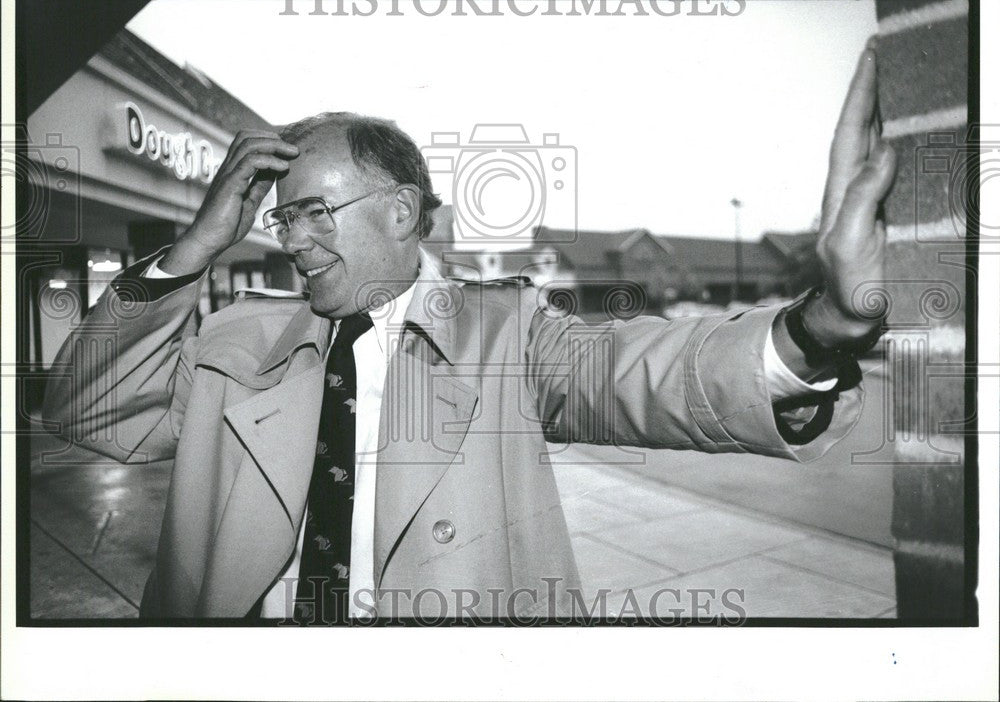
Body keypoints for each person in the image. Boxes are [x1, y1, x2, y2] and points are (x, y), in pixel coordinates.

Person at [44, 48, 895, 622]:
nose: (291, 239)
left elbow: (642, 372)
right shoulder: (235, 344)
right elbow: (87, 413)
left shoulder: (508, 333)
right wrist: (191, 249)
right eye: (280, 217)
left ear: (402, 210)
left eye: (313, 212)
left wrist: (819, 327)